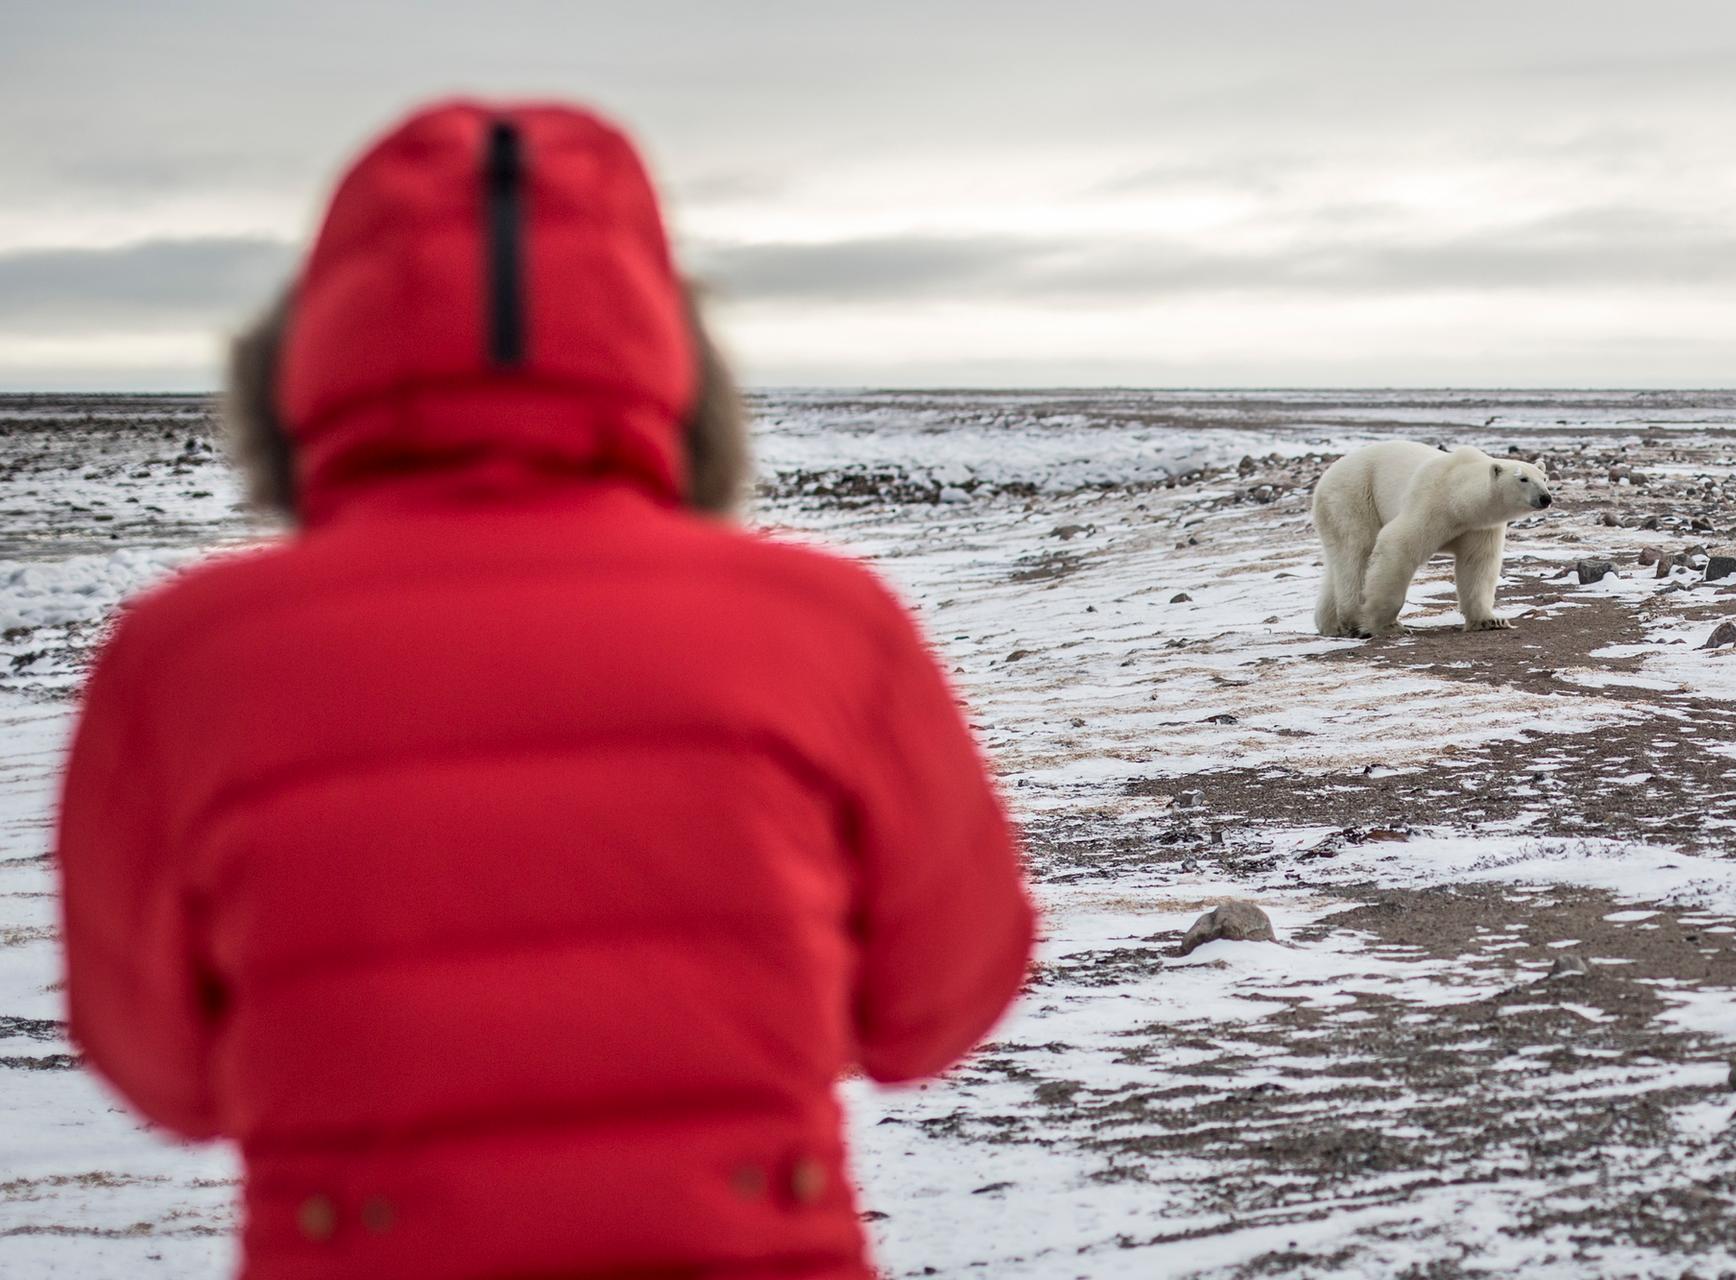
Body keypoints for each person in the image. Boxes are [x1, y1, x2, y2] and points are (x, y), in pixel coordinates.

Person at [55, 99, 1035, 1280]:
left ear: (291, 367)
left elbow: (162, 1066)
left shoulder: (183, 659)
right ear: (683, 366)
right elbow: (936, 1004)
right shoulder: (827, 628)